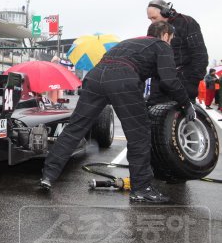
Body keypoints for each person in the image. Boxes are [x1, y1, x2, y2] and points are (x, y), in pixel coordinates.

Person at [40, 22, 195, 203]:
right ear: (166, 35)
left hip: (95, 76)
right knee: (139, 135)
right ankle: (141, 188)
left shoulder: (128, 43)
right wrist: (186, 103)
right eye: (171, 39)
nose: (171, 42)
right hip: (123, 78)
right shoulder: (162, 46)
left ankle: (48, 176)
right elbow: (169, 80)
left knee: (75, 128)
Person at [146, 0, 208, 103]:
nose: (152, 21)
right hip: (160, 82)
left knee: (182, 116)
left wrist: (193, 83)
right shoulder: (154, 28)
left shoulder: (187, 22)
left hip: (184, 81)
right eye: (150, 19)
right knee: (155, 115)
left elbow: (200, 55)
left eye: (154, 17)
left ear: (165, 12)